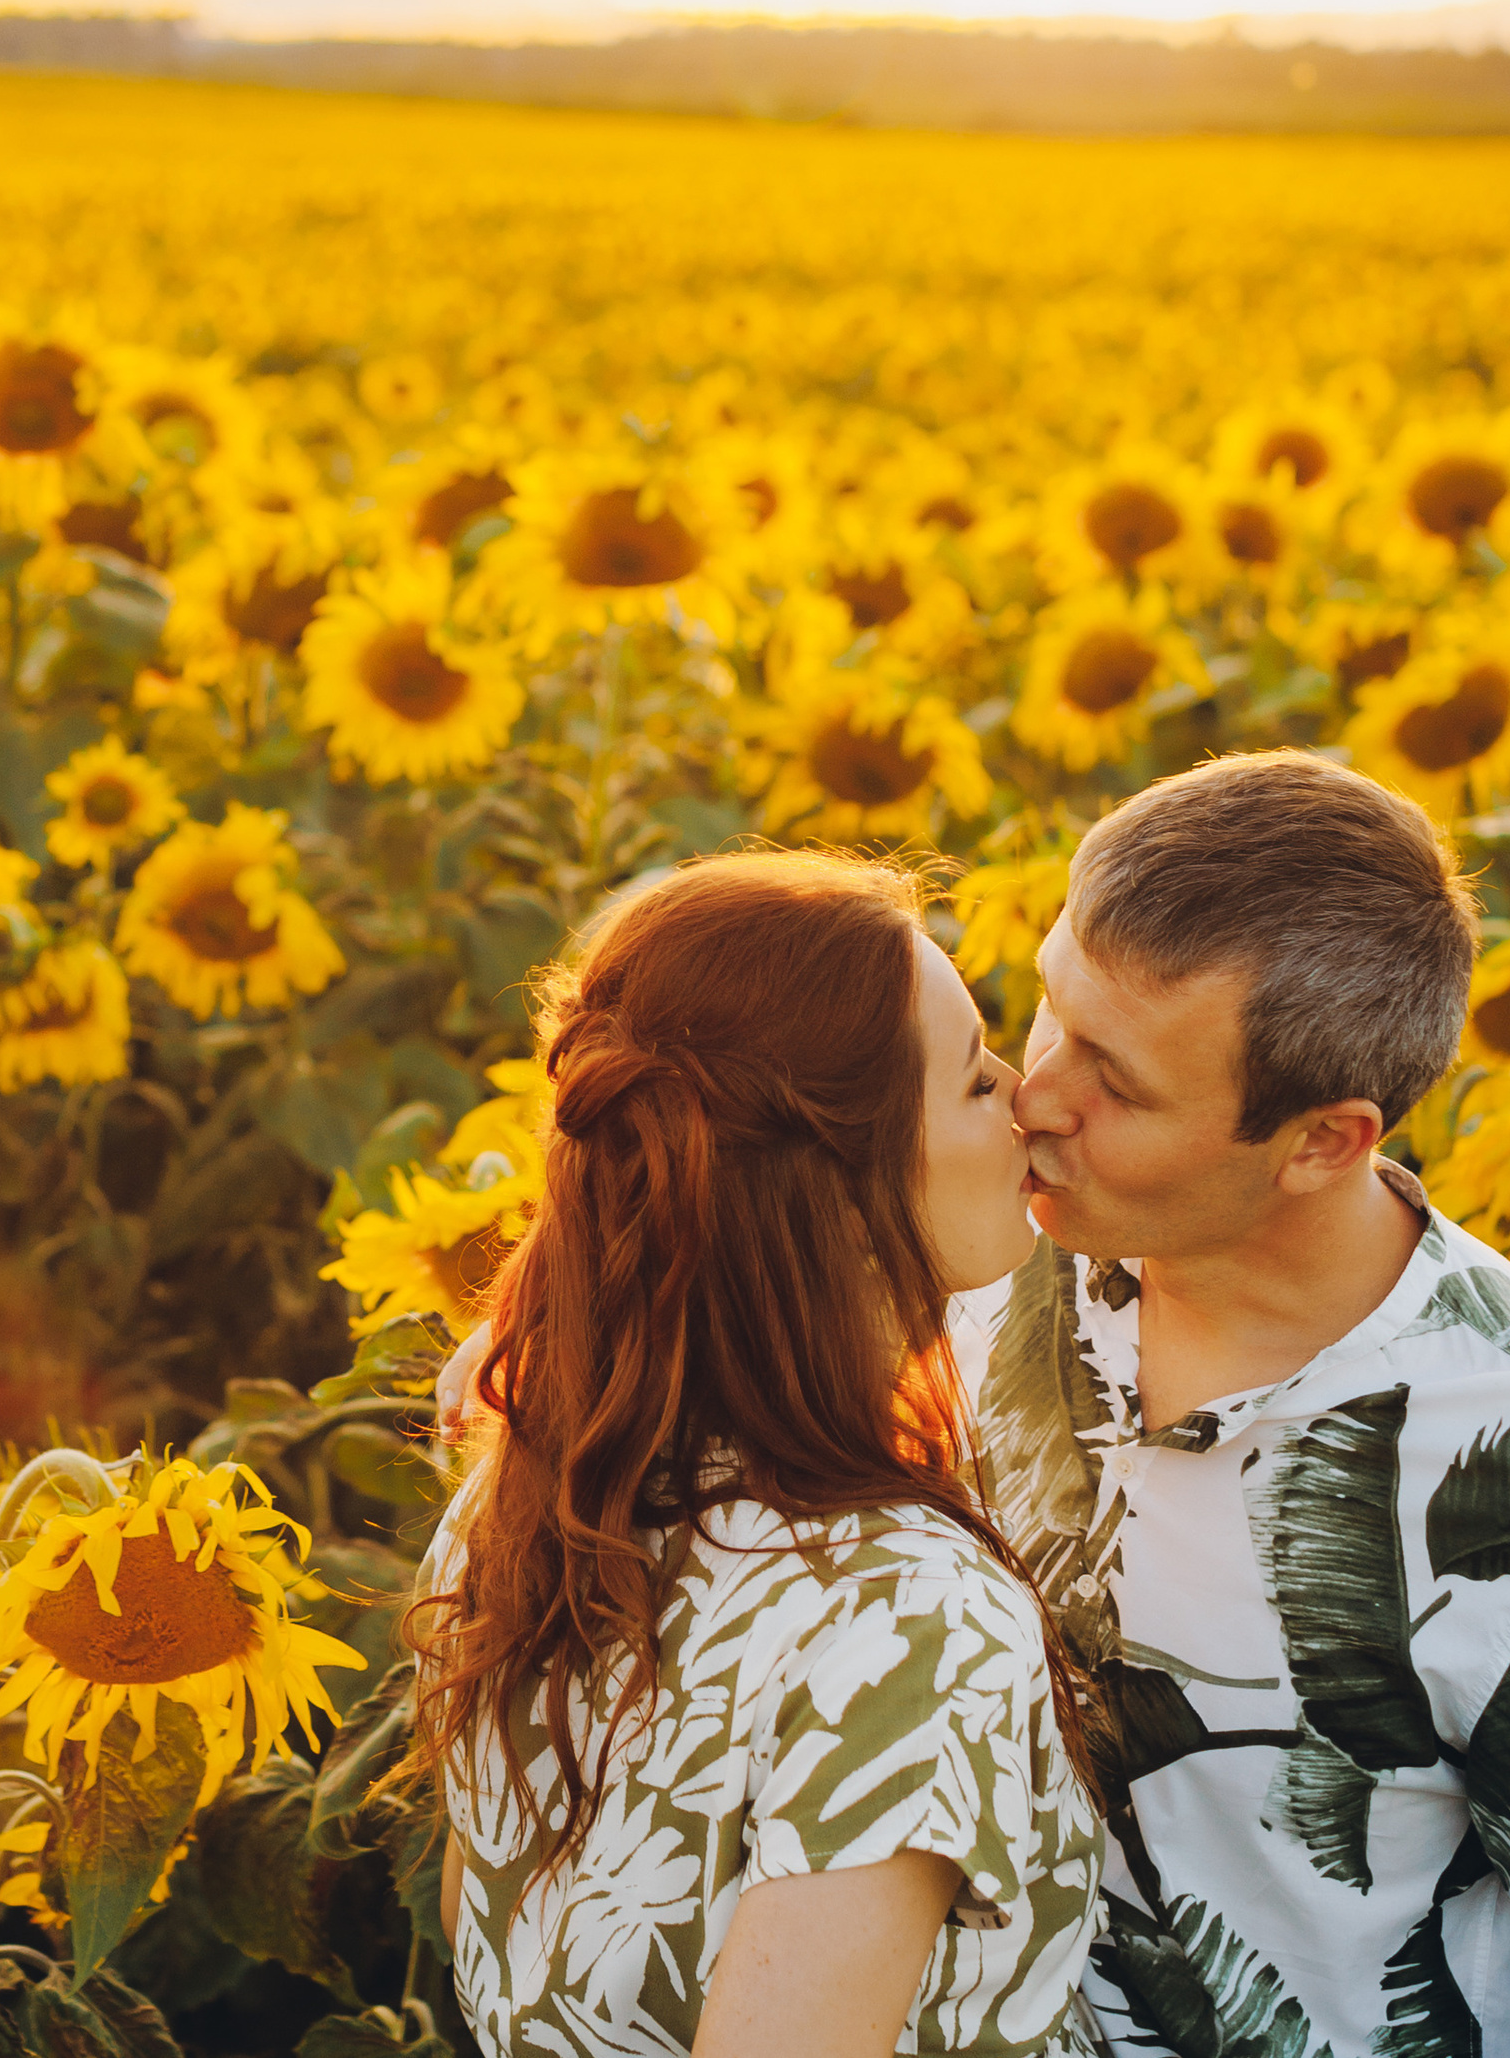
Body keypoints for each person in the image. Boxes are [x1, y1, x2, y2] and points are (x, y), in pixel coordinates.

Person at [445, 753, 1510, 2054]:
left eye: (1119, 1084)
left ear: (1322, 1141)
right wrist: (571, 1314)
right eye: (1048, 1013)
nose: (1034, 1098)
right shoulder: (972, 1256)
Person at [410, 850, 1103, 2058]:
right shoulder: (911, 1620)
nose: (1027, 1096)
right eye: (972, 1077)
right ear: (839, 1196)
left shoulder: (513, 1506)